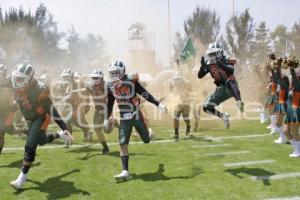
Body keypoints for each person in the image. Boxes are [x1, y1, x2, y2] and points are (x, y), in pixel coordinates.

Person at [9, 63, 73, 190]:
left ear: (30, 78)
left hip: (40, 117)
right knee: (42, 141)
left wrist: (64, 127)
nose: (16, 81)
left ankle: (21, 179)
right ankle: (61, 136)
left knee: (30, 144)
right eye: (15, 78)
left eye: (20, 79)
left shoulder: (40, 89)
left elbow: (52, 110)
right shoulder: (15, 85)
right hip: (28, 118)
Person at [104, 60, 167, 180]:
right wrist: (107, 117)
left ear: (122, 72)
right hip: (124, 119)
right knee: (122, 144)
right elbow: (110, 103)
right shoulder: (110, 85)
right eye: (111, 73)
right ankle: (125, 171)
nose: (113, 75)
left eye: (116, 72)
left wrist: (158, 104)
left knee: (146, 140)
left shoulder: (131, 81)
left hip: (136, 116)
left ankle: (149, 134)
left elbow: (145, 94)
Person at [198, 42, 244, 129]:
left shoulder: (227, 59)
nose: (211, 56)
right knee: (206, 107)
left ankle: (239, 101)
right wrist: (202, 67)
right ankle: (223, 116)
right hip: (221, 89)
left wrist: (220, 64)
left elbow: (231, 71)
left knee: (229, 80)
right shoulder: (209, 64)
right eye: (210, 54)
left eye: (213, 54)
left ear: (219, 53)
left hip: (231, 88)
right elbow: (200, 76)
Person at [60, 69, 92, 141]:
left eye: (66, 77)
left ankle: (69, 138)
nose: (64, 79)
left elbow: (85, 93)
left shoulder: (78, 83)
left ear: (71, 77)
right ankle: (87, 131)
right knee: (77, 123)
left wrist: (80, 108)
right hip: (71, 107)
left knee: (68, 121)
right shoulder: (68, 85)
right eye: (64, 77)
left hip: (78, 106)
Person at [282, 56, 300, 156]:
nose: (292, 78)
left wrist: (291, 67)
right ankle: (297, 148)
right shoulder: (291, 87)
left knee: (295, 132)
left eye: (296, 77)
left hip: (296, 110)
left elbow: (293, 76)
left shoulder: (298, 85)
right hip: (289, 110)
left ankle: (297, 151)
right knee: (286, 131)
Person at [0, 64, 18, 154]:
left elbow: (12, 96)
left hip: (6, 111)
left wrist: (14, 103)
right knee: (1, 132)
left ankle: (26, 131)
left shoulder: (9, 83)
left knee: (9, 131)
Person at [168, 73, 192, 139]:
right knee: (175, 117)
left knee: (185, 118)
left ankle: (188, 125)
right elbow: (171, 91)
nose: (177, 82)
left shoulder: (187, 82)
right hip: (177, 102)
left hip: (185, 103)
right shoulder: (172, 82)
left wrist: (185, 95)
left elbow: (190, 92)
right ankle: (176, 133)